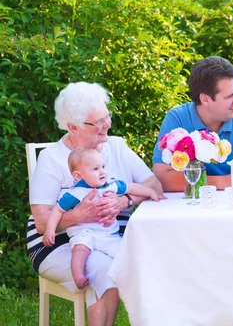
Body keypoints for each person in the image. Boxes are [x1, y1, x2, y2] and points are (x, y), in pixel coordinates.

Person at [28, 82, 164, 325]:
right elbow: (41, 222)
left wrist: (124, 201)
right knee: (104, 270)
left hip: (111, 235)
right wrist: (82, 215)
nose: (108, 125)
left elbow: (154, 186)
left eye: (107, 116)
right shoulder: (52, 158)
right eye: (98, 122)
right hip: (56, 241)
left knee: (154, 260)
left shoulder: (116, 148)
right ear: (73, 126)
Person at [153, 56, 233, 191]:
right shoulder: (177, 118)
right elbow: (162, 178)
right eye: (230, 96)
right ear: (205, 99)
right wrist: (221, 182)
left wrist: (202, 181)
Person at [42, 148, 162, 290]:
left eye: (103, 167)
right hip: (84, 233)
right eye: (95, 169)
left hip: (108, 235)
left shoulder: (111, 185)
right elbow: (57, 211)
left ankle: (133, 283)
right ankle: (78, 276)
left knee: (123, 254)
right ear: (78, 176)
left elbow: (133, 188)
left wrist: (151, 192)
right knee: (80, 249)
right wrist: (50, 230)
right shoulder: (75, 193)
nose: (102, 172)